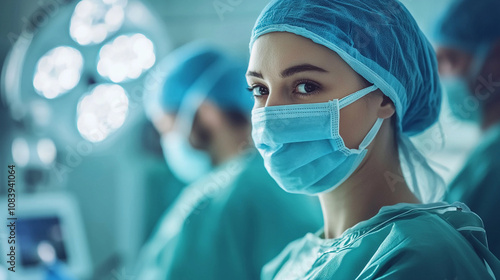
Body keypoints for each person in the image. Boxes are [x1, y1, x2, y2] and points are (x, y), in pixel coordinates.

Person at [245, 0, 500, 279]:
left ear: (385, 97)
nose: (271, 113)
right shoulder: (288, 263)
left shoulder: (419, 257)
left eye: (306, 86)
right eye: (259, 89)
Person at [135, 42, 322, 280]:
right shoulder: (234, 188)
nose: (167, 142)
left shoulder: (256, 187)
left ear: (206, 112)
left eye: (166, 127)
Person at [435, 0, 500, 259]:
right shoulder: (487, 153)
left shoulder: (494, 162)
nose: (442, 76)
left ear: (495, 58)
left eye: (452, 59)